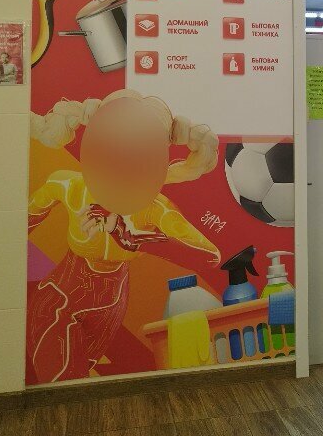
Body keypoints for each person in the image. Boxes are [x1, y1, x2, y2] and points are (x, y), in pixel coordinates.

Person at [26, 89, 220, 383]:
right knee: (64, 383)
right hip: (59, 300)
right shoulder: (67, 186)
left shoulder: (156, 210)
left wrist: (130, 236)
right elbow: (16, 228)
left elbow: (208, 257)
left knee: (79, 385)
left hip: (110, 309)